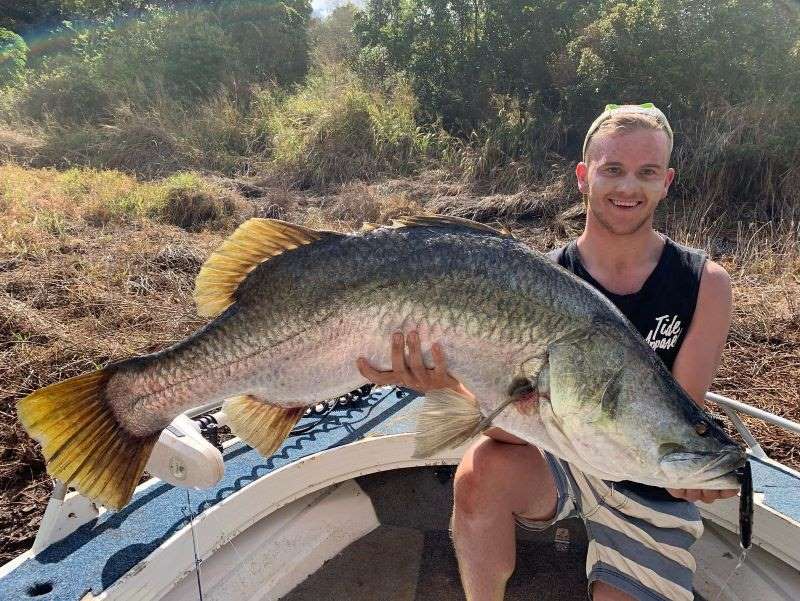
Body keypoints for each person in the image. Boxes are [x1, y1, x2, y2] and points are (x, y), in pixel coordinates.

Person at [356, 103, 739, 601]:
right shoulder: (536, 281)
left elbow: (677, 413)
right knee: (481, 469)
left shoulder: (704, 283)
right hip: (558, 456)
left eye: (646, 173)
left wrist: (695, 475)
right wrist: (447, 383)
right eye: (612, 170)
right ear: (584, 177)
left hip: (646, 486)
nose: (628, 187)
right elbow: (506, 426)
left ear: (666, 181)